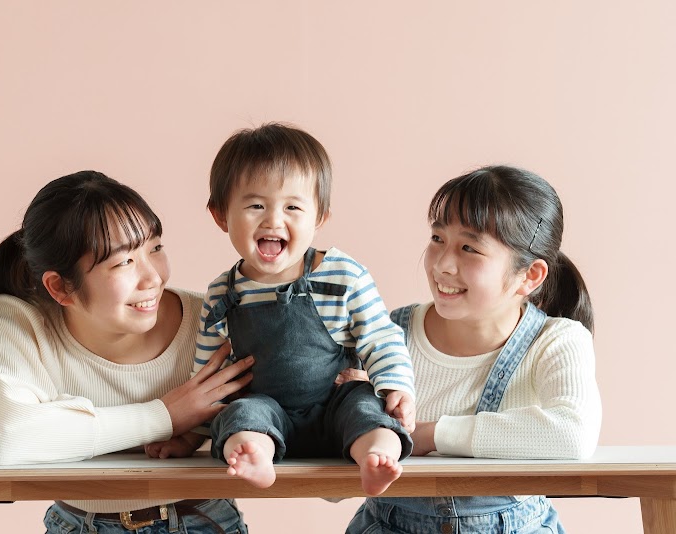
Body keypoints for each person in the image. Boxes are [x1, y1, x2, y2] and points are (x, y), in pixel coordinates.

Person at [0, 170, 256, 534]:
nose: (153, 278)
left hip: (200, 521)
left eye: (155, 248)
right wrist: (165, 416)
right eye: (123, 262)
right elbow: (6, 438)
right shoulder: (20, 323)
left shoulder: (214, 319)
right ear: (60, 287)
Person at [146, 123, 415, 496]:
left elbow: (381, 337)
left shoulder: (342, 275)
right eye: (256, 205)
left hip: (335, 403)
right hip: (267, 409)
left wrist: (396, 386)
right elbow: (210, 375)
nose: (273, 220)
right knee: (241, 414)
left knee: (367, 408)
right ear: (221, 215)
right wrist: (191, 436)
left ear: (319, 218)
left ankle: (375, 457)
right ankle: (256, 454)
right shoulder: (223, 293)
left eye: (292, 207)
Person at [343, 165, 602, 533]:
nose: (442, 264)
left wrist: (430, 435)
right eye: (437, 238)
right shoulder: (385, 336)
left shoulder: (556, 340)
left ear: (529, 276)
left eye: (469, 248)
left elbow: (573, 433)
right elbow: (331, 479)